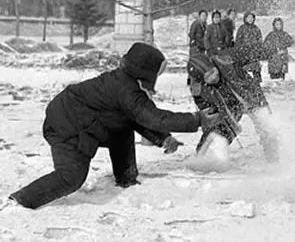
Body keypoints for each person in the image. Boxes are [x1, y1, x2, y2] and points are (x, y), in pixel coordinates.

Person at [8, 43, 209, 210]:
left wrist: (163, 138)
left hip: (81, 118)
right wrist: (197, 119)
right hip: (67, 124)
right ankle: (21, 200)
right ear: (146, 71)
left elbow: (136, 117)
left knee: (122, 127)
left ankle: (126, 179)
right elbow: (154, 117)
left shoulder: (126, 83)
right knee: (71, 177)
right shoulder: (126, 89)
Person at [187, 43, 278, 164]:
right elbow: (209, 118)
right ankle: (206, 157)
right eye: (208, 76)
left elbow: (248, 51)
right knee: (220, 131)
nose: (214, 77)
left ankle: (275, 159)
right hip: (231, 106)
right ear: (202, 80)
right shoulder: (202, 91)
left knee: (267, 126)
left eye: (213, 71)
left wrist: (268, 50)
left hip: (252, 96)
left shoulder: (225, 59)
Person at [235, 12, 264, 83]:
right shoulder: (242, 28)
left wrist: (259, 51)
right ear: (245, 18)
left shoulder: (256, 28)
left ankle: (258, 84)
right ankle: (245, 84)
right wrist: (239, 50)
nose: (250, 19)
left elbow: (260, 41)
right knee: (243, 69)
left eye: (252, 17)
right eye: (249, 17)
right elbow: (238, 41)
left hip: (254, 53)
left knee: (256, 70)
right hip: (244, 53)